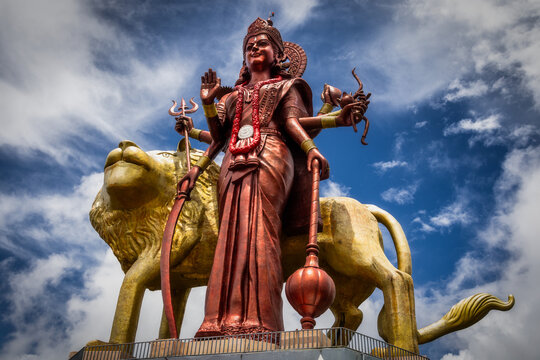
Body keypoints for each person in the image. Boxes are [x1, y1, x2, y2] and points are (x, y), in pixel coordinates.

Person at [176, 17, 366, 337]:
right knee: (230, 237)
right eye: (249, 47)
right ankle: (216, 321)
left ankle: (259, 321)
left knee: (261, 233)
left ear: (278, 55)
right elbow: (219, 136)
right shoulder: (232, 97)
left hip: (271, 155)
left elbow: (295, 122)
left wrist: (310, 147)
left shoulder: (287, 86)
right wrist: (207, 110)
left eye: (261, 43)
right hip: (232, 162)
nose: (254, 48)